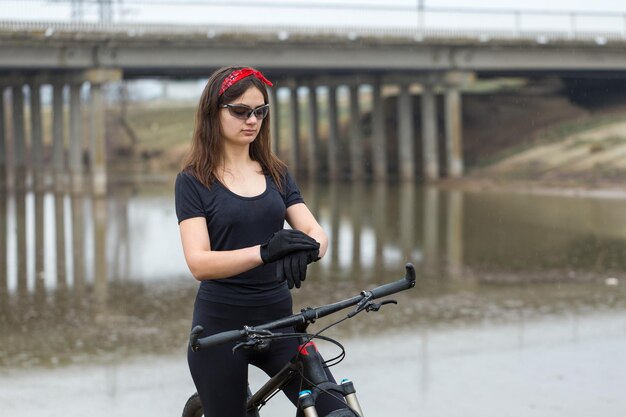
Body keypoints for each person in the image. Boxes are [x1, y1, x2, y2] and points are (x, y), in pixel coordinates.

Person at [175, 66, 344, 416]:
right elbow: (198, 262)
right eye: (240, 111)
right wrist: (265, 252)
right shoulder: (193, 180)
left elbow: (317, 233)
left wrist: (309, 248)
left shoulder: (276, 173)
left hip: (280, 325)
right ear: (213, 113)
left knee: (337, 410)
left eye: (260, 111)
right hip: (220, 331)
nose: (252, 120)